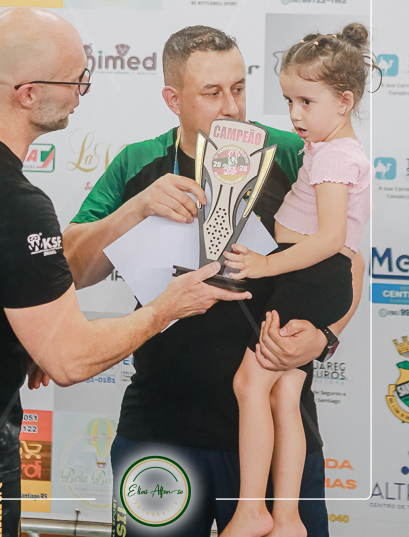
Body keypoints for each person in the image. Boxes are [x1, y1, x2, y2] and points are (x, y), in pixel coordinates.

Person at [0, 9, 246, 537]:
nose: (82, 94)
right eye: (75, 81)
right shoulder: (13, 202)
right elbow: (70, 359)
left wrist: (28, 336)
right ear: (28, 93)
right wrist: (168, 306)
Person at [64, 26, 365, 537]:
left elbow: (347, 260)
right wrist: (137, 209)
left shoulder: (295, 152)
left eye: (239, 88)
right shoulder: (139, 162)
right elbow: (72, 266)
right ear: (173, 100)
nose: (232, 108)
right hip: (161, 430)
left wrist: (323, 337)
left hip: (273, 428)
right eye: (212, 93)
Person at [220, 24, 375, 537]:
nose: (294, 115)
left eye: (307, 102)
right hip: (314, 278)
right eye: (289, 100)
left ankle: (252, 511)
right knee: (284, 392)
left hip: (310, 277)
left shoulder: (334, 156)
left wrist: (265, 265)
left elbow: (330, 238)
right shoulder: (331, 149)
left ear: (345, 102)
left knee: (250, 383)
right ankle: (286, 517)